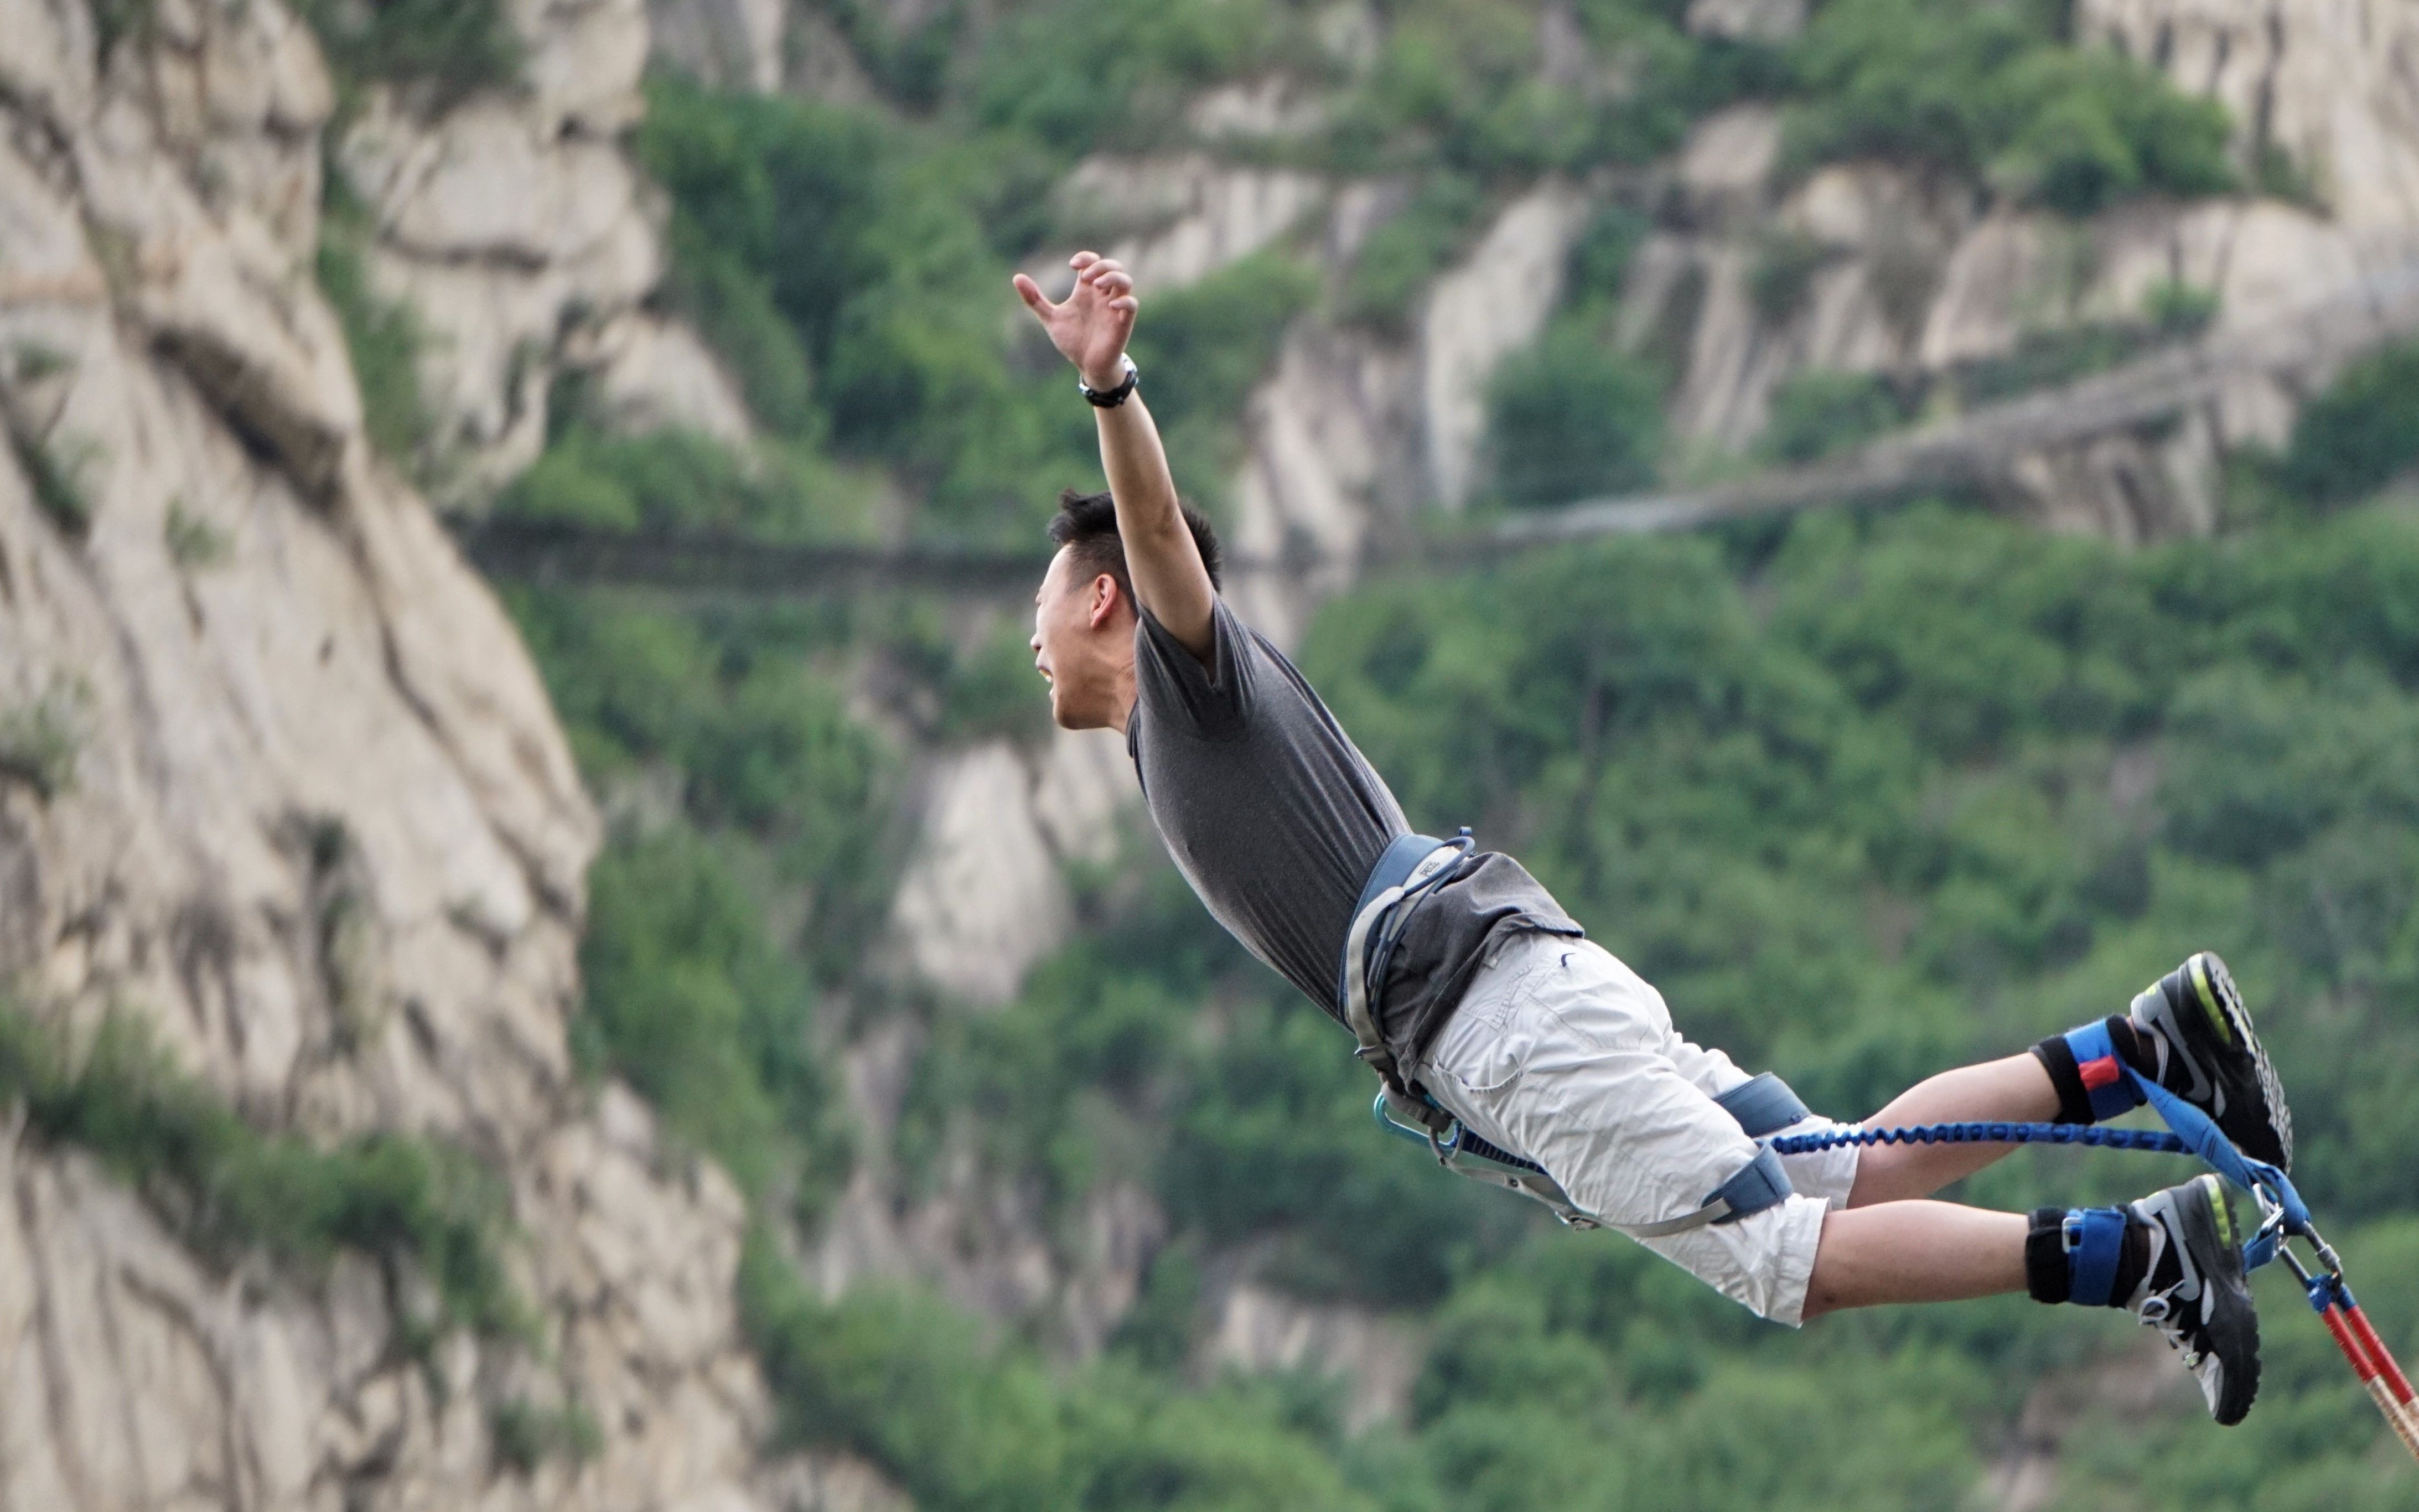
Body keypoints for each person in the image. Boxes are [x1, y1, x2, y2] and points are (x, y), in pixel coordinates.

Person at [1013, 252, 2293, 1425]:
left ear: (1104, 597)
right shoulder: (1182, 734)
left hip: (1493, 1019)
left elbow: (1163, 533)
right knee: (1833, 1178)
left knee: (1777, 1261)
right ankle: (2150, 1046)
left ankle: (2148, 1251)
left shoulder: (1196, 682)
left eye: (1044, 606)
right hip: (1522, 980)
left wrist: (1109, 386)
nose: (1029, 639)